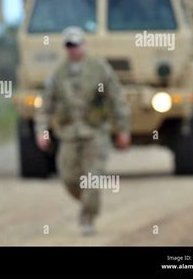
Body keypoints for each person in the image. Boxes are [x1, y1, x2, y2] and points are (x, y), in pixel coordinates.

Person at [34, 26, 130, 236]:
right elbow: (45, 105)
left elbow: (117, 99)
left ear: (84, 45)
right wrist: (42, 131)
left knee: (93, 177)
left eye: (77, 44)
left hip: (96, 133)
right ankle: (88, 200)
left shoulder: (100, 69)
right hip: (68, 135)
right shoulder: (58, 73)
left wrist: (122, 129)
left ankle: (87, 218)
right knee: (69, 178)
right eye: (69, 45)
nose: (73, 49)